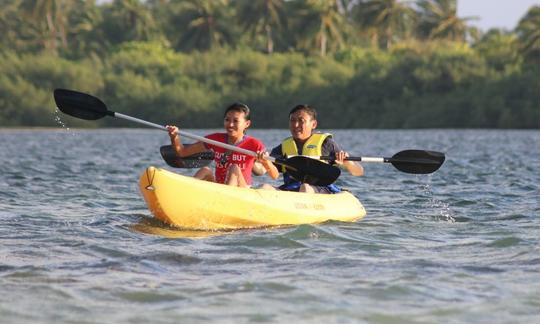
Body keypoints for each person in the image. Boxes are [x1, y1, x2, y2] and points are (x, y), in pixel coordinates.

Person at [166, 103, 279, 188]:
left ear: (246, 124)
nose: (230, 124)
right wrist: (174, 137)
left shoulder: (254, 144)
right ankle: (186, 194)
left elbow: (275, 176)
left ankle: (226, 201)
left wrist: (265, 161)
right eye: (227, 120)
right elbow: (182, 152)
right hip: (220, 188)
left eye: (235, 121)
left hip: (243, 192)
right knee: (205, 170)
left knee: (234, 168)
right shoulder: (215, 139)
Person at [264, 104, 364, 193]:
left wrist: (347, 162)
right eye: (292, 120)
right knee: (265, 187)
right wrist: (265, 161)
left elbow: (358, 172)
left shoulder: (326, 144)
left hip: (319, 189)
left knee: (305, 188)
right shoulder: (283, 147)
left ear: (313, 124)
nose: (295, 125)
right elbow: (274, 175)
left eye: (301, 121)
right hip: (291, 188)